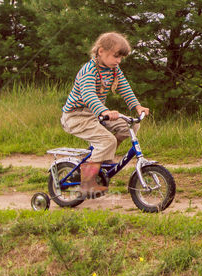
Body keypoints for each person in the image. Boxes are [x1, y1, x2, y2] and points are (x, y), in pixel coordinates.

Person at [60, 32, 150, 199]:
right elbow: (88, 95)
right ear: (101, 51)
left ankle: (102, 158)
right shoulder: (88, 70)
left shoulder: (114, 69)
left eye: (121, 58)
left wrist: (137, 106)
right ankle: (87, 183)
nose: (118, 61)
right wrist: (104, 111)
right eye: (116, 56)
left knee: (130, 125)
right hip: (76, 116)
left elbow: (124, 87)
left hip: (96, 114)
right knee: (106, 140)